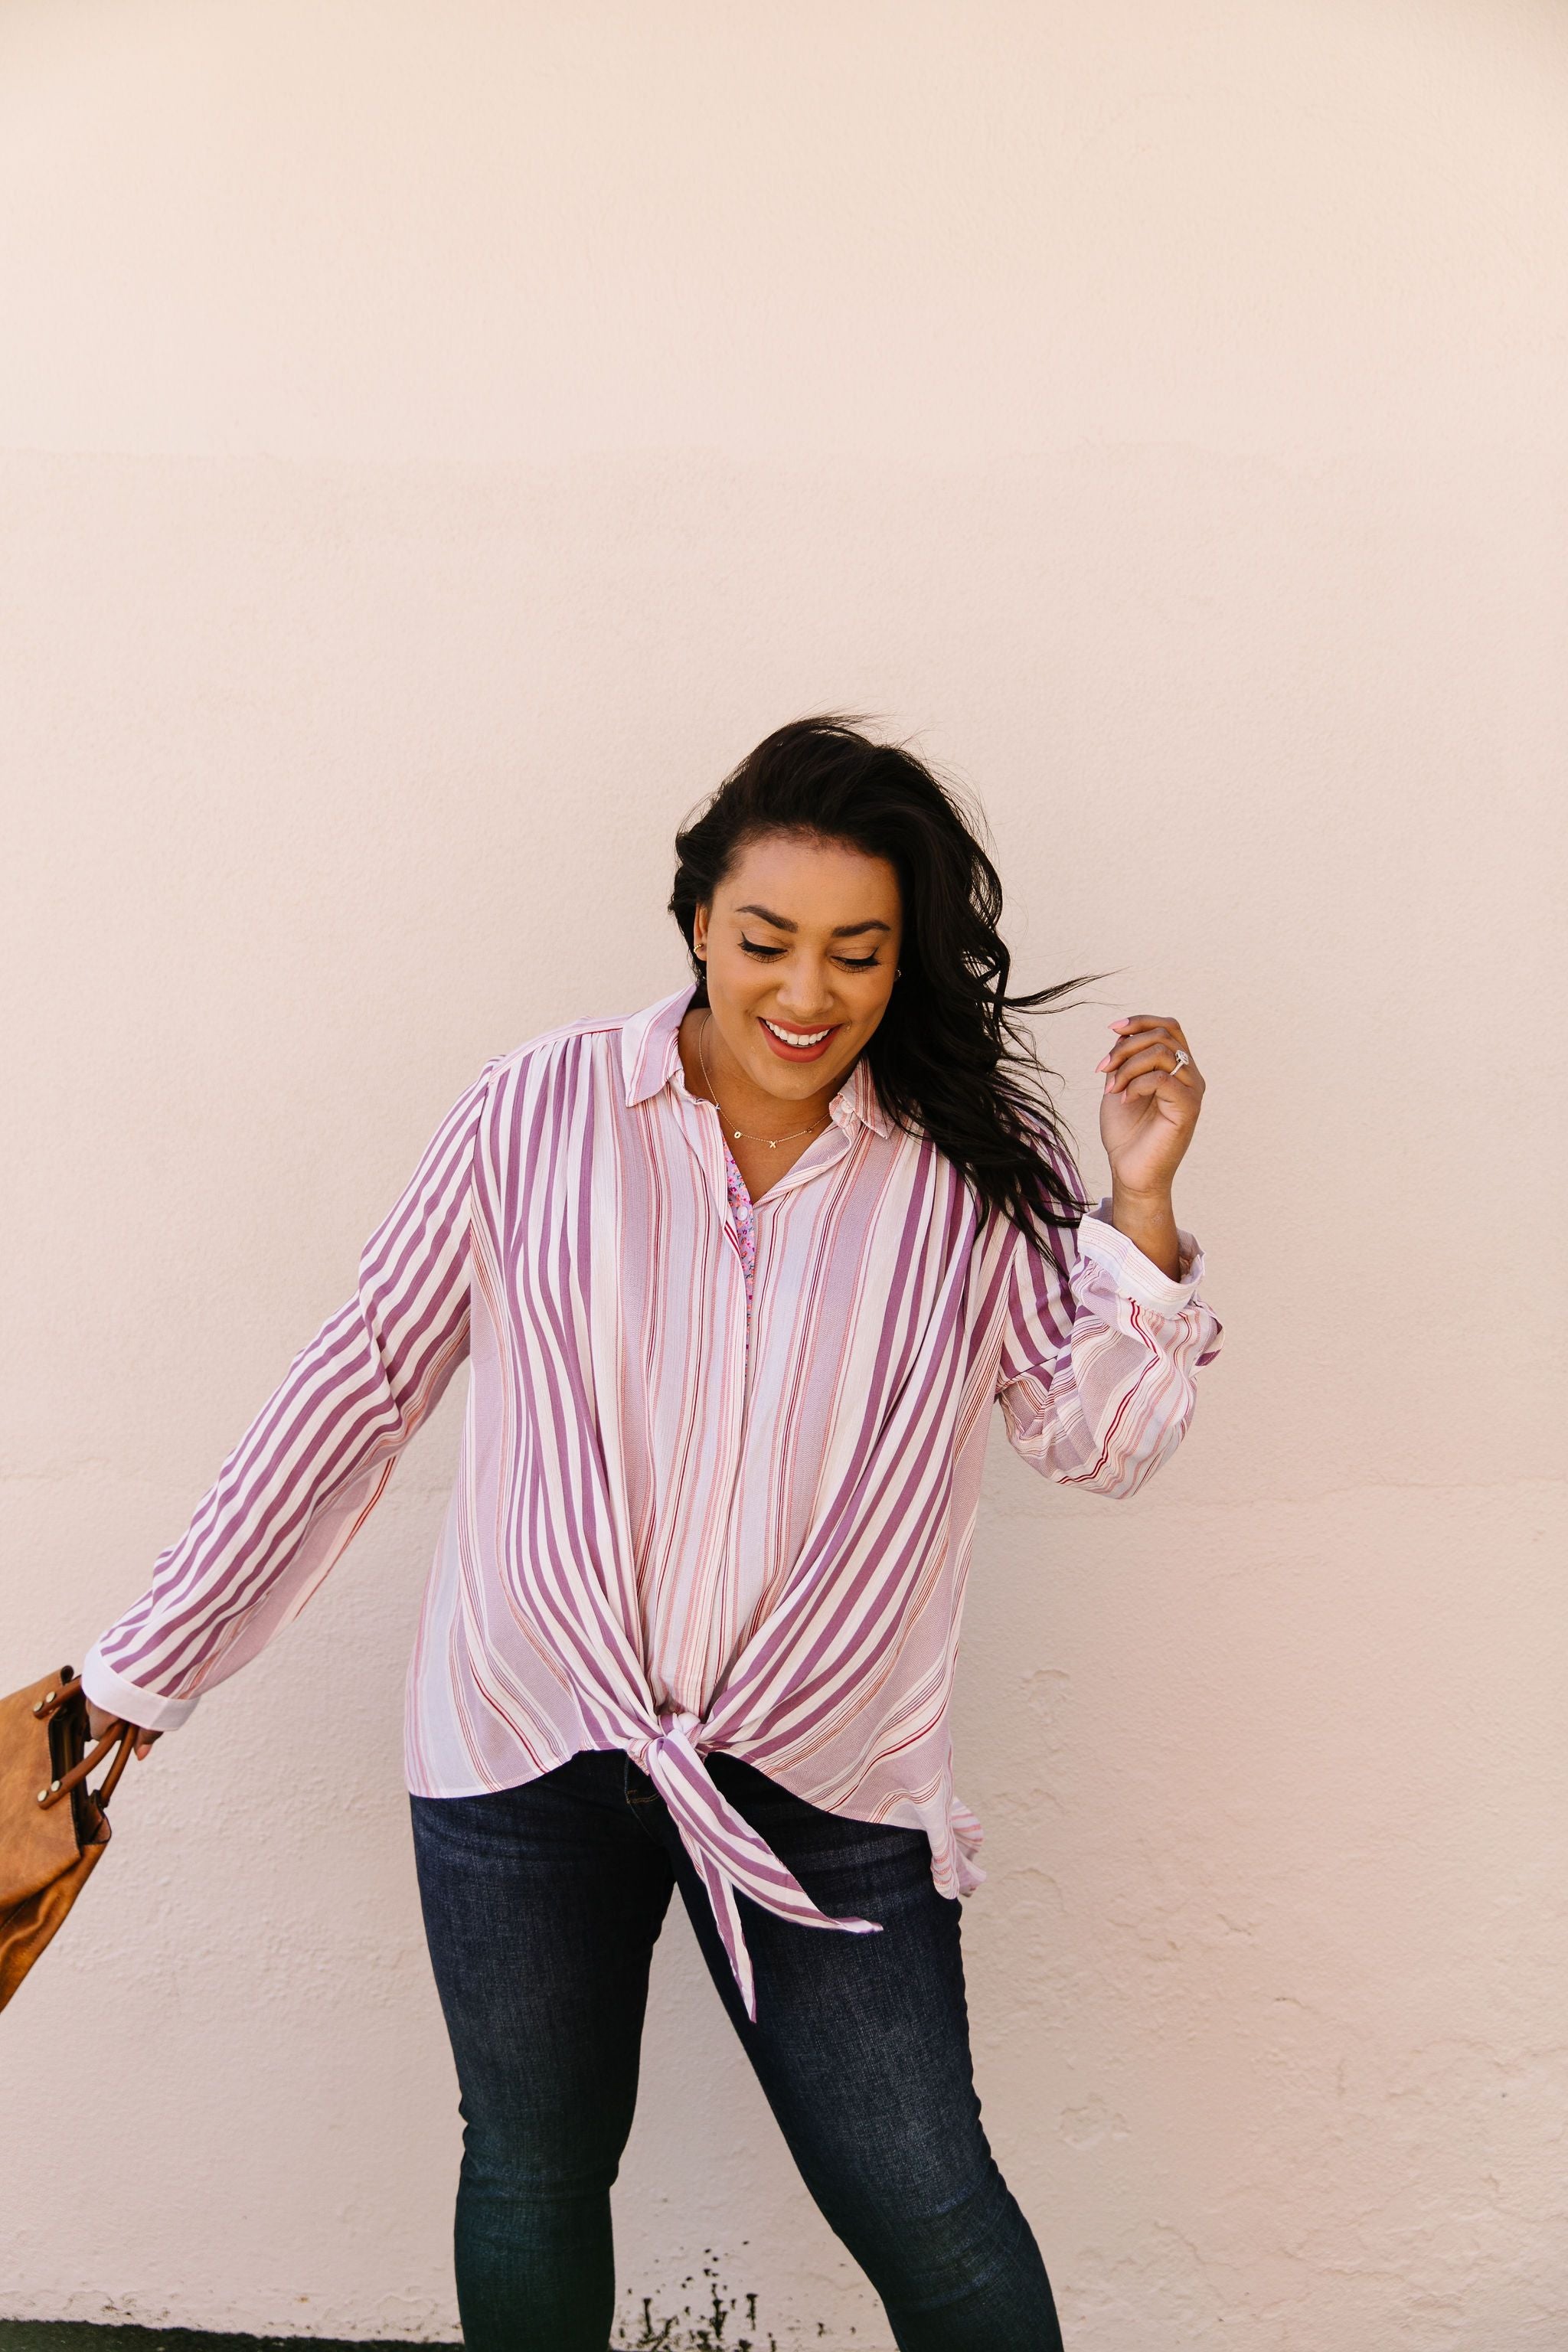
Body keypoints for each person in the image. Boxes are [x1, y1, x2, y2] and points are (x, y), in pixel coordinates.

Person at [83, 715, 1221, 2352]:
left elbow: (1100, 1440)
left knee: (931, 2208)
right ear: (696, 920)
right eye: (765, 941)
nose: (806, 996)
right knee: (533, 2172)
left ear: (907, 963)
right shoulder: (538, 1110)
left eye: (857, 953)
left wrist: (1142, 1211)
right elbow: (358, 1388)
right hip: (524, 1751)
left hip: (824, 1779)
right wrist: (144, 1671)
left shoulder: (973, 1164)